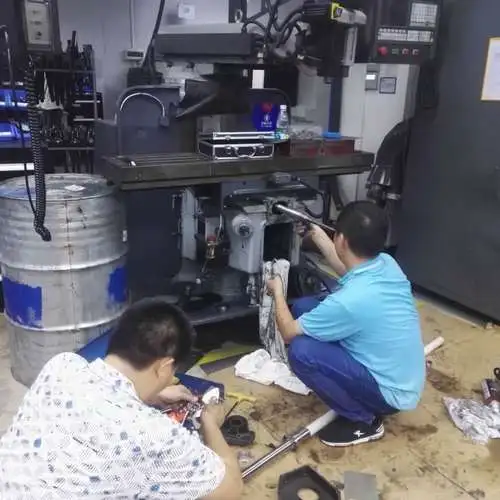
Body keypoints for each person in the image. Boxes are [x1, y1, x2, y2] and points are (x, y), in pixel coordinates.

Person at [0, 298, 243, 500]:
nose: (170, 379)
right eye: (171, 373)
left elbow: (97, 398)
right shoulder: (155, 436)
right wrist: (210, 423)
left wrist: (149, 394)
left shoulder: (61, 366)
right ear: (164, 366)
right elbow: (230, 489)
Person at [267, 201, 425, 448]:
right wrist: (317, 235)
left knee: (301, 352)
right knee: (304, 308)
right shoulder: (386, 263)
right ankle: (346, 388)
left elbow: (287, 333)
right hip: (401, 377)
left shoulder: (349, 302)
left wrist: (277, 291)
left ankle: (364, 420)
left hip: (388, 394)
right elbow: (347, 268)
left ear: (341, 240)